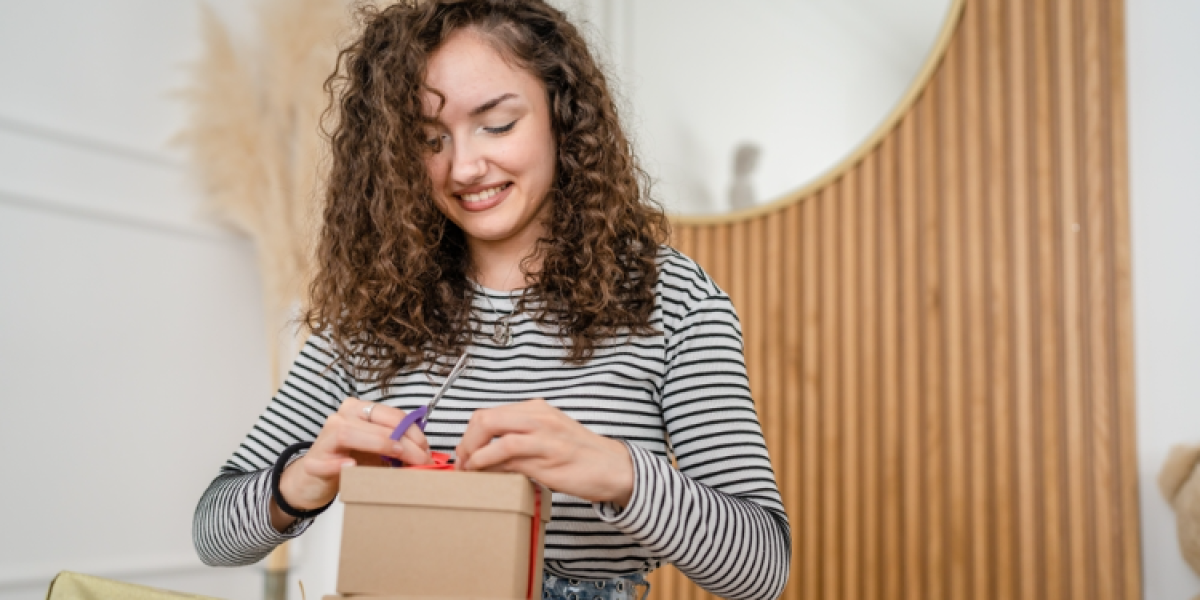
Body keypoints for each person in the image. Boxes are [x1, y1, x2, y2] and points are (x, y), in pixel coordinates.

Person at [193, 1, 791, 599]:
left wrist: (618, 472)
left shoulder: (672, 300)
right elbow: (214, 532)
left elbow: (762, 568)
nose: (464, 167)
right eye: (430, 139)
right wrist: (300, 480)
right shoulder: (373, 308)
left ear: (563, 114)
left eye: (497, 124)